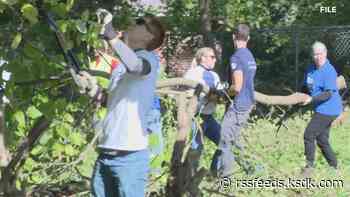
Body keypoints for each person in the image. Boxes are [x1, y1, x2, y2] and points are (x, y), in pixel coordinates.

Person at [77, 9, 165, 197]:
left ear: (149, 37)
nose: (134, 22)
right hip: (107, 152)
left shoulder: (149, 59)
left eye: (141, 22)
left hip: (130, 157)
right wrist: (93, 90)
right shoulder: (121, 67)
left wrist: (110, 35)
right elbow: (113, 102)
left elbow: (136, 66)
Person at [211, 24, 257, 178]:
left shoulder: (236, 57)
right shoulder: (250, 55)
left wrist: (223, 92)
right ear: (248, 38)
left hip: (238, 106)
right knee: (234, 140)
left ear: (233, 37)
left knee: (225, 139)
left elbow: (237, 87)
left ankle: (226, 179)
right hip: (248, 102)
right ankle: (253, 171)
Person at [301, 41, 342, 177]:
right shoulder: (311, 69)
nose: (317, 57)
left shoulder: (329, 70)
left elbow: (328, 93)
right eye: (315, 54)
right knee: (322, 139)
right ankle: (334, 167)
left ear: (325, 53)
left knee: (309, 135)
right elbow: (305, 87)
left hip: (329, 108)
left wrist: (311, 99)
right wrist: (299, 96)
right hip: (320, 107)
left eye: (320, 54)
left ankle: (309, 168)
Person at [184, 47, 221, 160]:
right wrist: (205, 97)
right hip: (196, 118)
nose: (215, 60)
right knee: (196, 149)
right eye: (212, 57)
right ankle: (189, 175)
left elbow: (220, 96)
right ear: (202, 58)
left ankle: (214, 174)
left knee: (225, 143)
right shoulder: (192, 74)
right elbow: (187, 95)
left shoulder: (215, 76)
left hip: (209, 117)